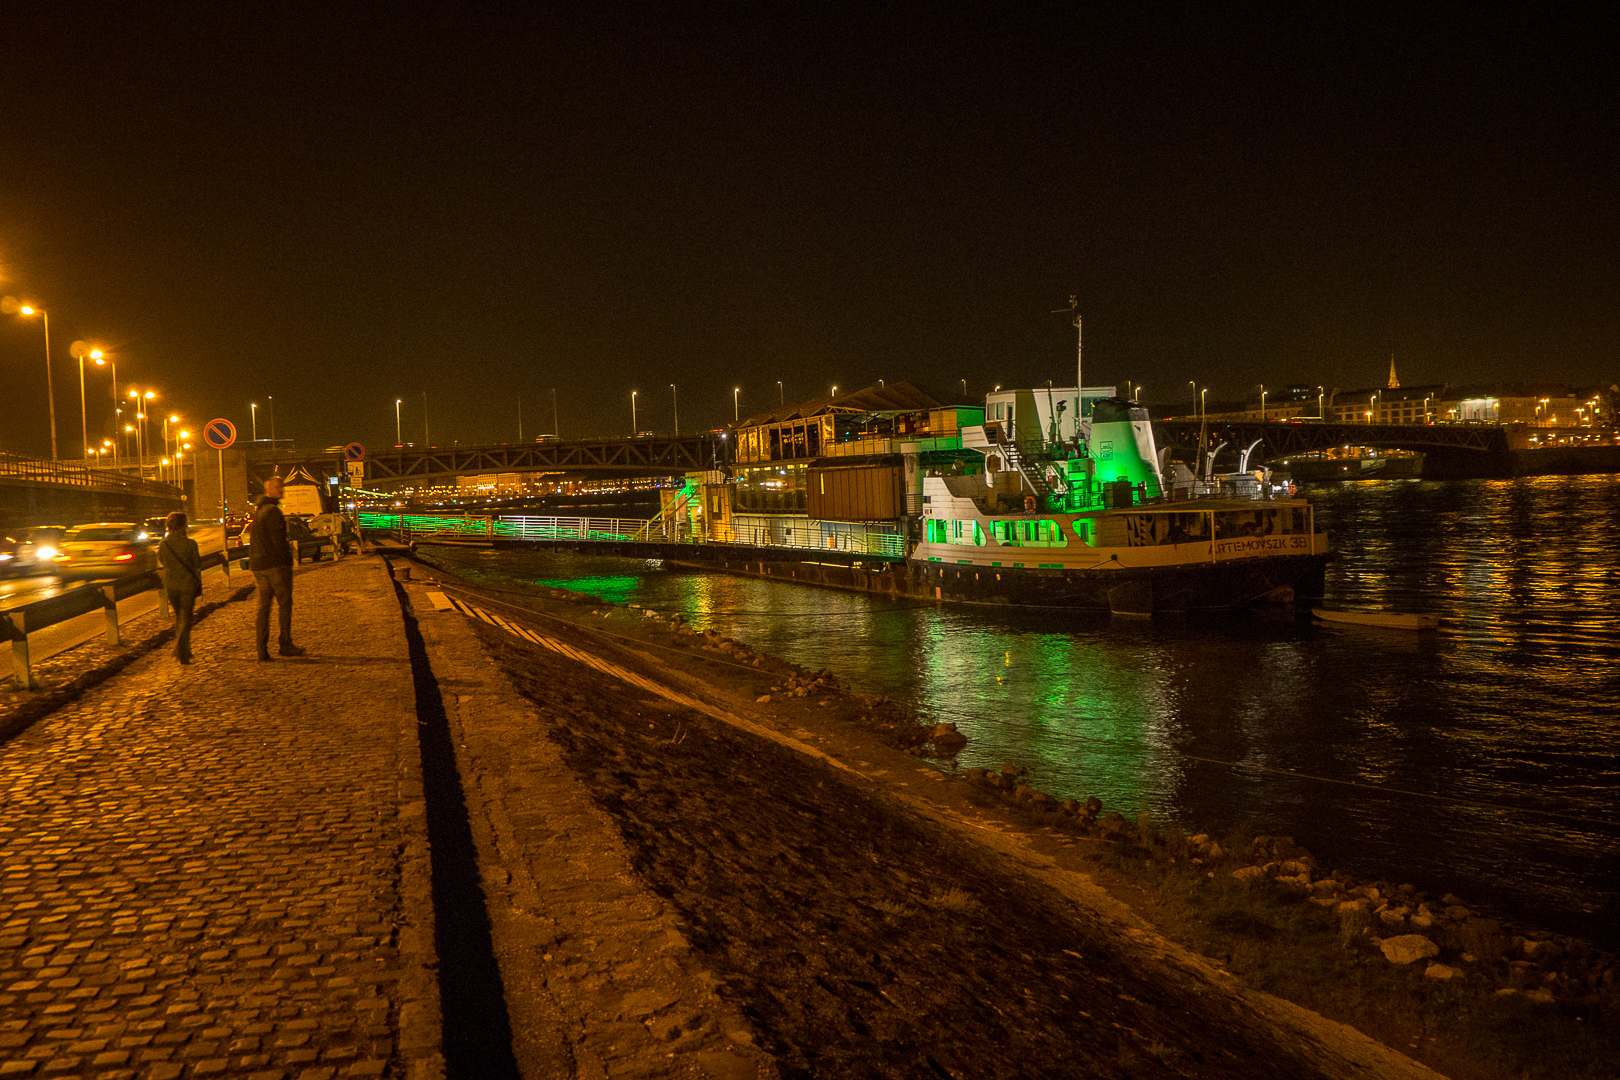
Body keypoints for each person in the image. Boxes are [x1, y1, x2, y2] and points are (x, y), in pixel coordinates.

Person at [250, 476, 306, 660]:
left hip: (259, 566)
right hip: (275, 566)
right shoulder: (273, 511)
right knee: (284, 604)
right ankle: (285, 643)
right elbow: (278, 542)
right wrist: (286, 561)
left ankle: (261, 649)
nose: (281, 491)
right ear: (270, 490)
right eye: (278, 488)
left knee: (264, 607)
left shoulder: (259, 511)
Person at [158, 511, 203, 664]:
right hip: (188, 584)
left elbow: (162, 561)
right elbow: (197, 563)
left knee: (179, 616)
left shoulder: (163, 545)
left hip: (171, 585)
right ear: (184, 525)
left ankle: (184, 650)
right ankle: (181, 650)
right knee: (185, 617)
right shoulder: (191, 544)